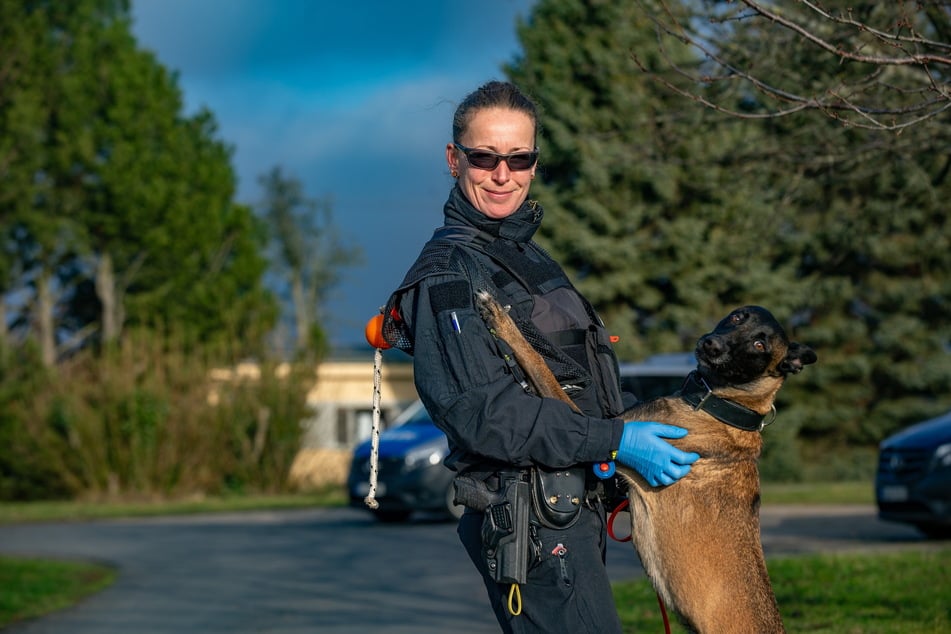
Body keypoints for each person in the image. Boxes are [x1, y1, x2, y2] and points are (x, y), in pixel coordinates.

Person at [379, 80, 700, 634]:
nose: (503, 175)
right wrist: (615, 440)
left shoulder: (523, 256)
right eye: (485, 158)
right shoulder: (449, 275)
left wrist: (632, 424)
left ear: (534, 163)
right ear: (454, 159)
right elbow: (484, 413)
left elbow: (578, 375)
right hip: (530, 523)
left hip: (573, 512)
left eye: (519, 158)